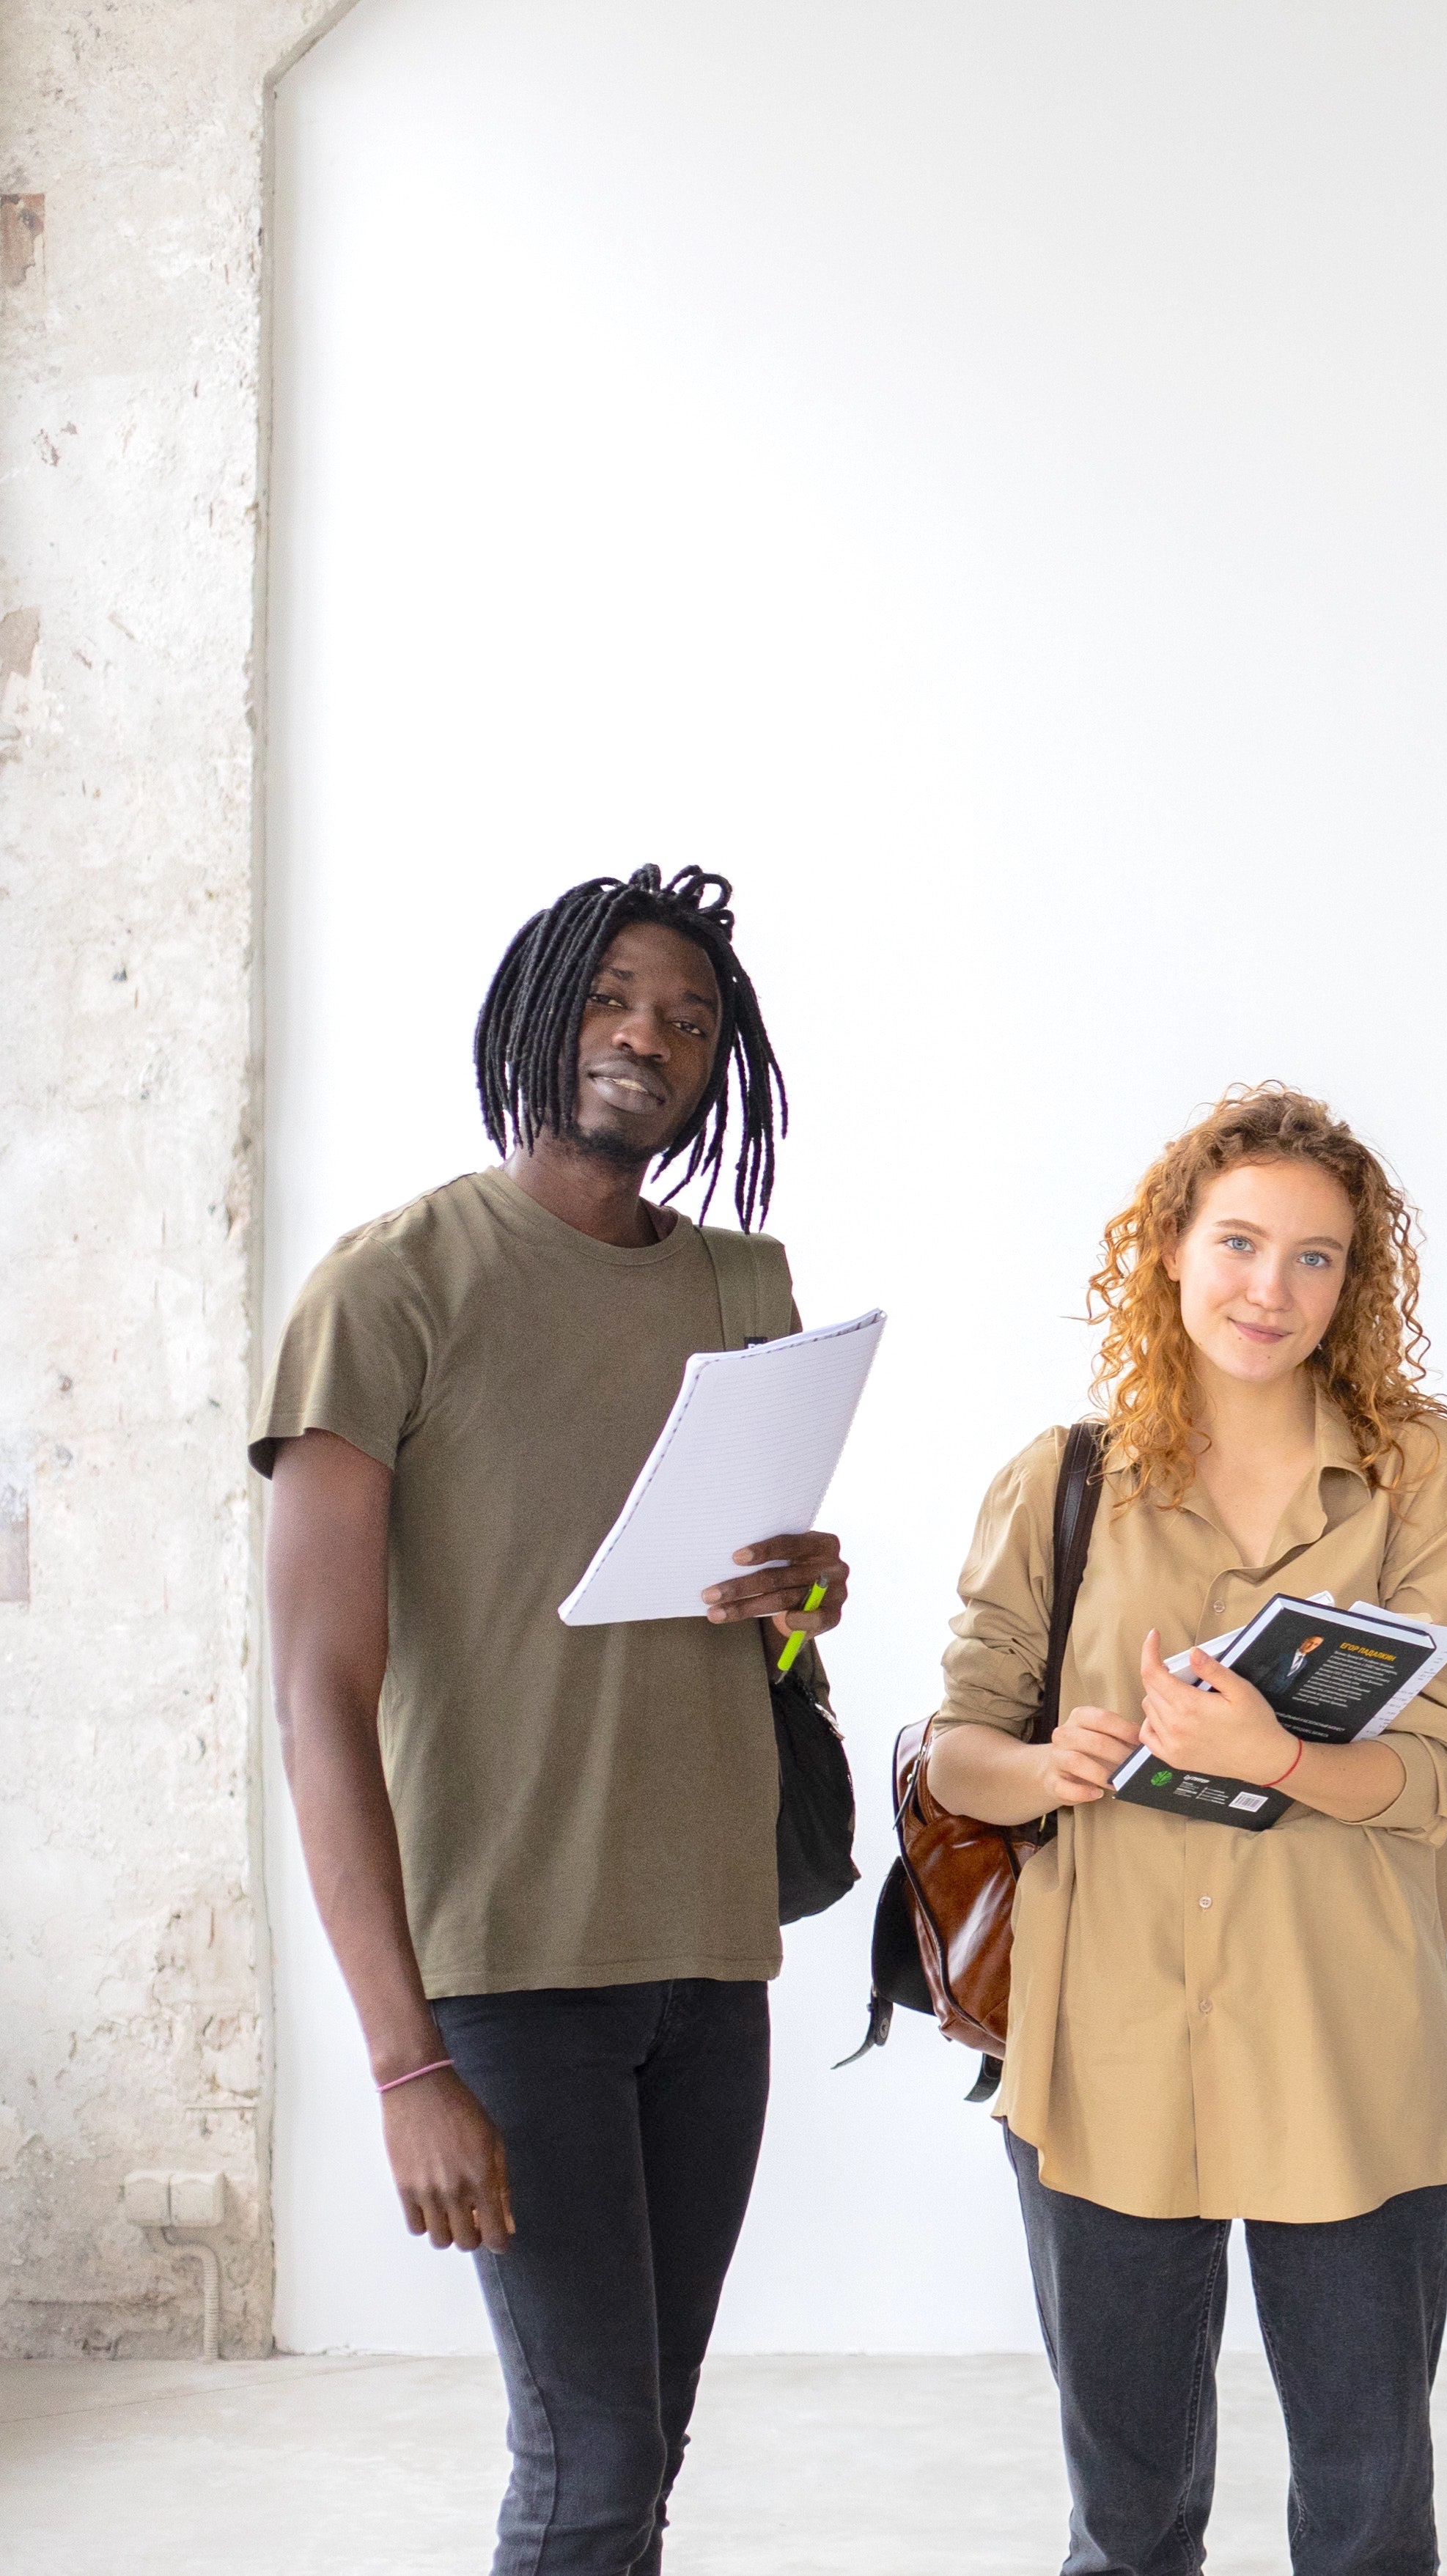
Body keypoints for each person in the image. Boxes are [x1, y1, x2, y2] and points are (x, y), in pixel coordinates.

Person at [259, 865, 849, 2573]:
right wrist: (402, 2059)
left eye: (686, 1015)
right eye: (608, 997)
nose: (644, 1037)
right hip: (506, 1970)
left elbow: (764, 1626)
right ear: (535, 1009)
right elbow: (317, 1693)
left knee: (639, 2447)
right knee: (584, 2459)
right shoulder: (392, 1287)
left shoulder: (747, 1281)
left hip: (708, 1949)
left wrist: (805, 1588)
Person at [922, 1085, 1447, 2576]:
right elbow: (956, 1749)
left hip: (1340, 2041)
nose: (1272, 1288)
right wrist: (1051, 1762)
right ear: (1169, 1248)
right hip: (1101, 2050)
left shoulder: (1422, 1476)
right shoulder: (1058, 1482)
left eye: (1316, 1257)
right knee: (1124, 2527)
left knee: (1368, 2517)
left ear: (1354, 1284)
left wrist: (1276, 1758)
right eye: (1240, 1240)